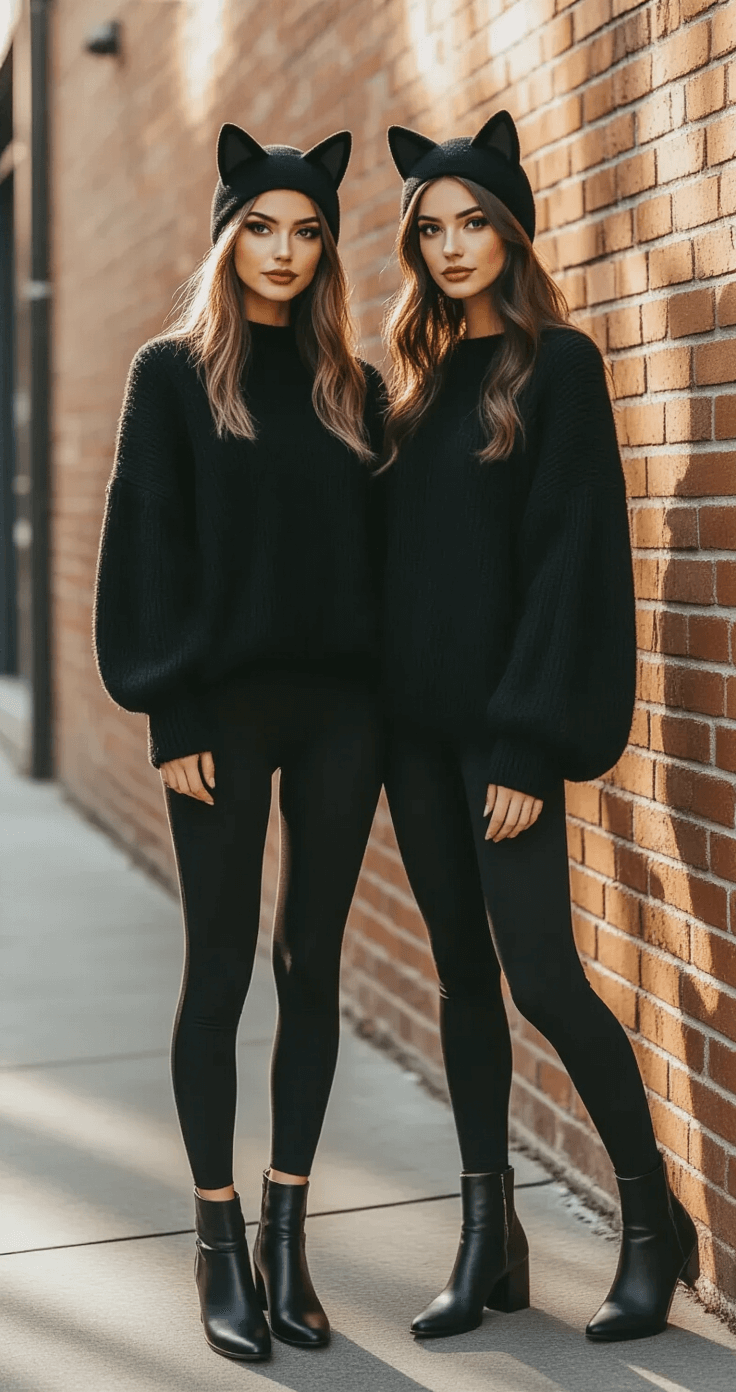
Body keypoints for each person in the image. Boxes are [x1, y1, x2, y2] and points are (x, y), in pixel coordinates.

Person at [380, 109, 698, 1344]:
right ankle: (487, 1240)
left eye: (473, 223)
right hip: (410, 741)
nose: (453, 246)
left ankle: (650, 1225)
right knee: (464, 982)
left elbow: (573, 565)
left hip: (498, 738)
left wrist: (524, 741)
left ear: (511, 232)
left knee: (545, 979)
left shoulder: (556, 367)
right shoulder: (406, 385)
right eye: (432, 228)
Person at [94, 122, 384, 1363]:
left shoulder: (353, 390)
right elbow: (144, 551)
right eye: (261, 226)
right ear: (229, 235)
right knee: (217, 967)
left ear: (327, 247)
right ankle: (217, 1241)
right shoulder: (171, 376)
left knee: (308, 964)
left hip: (343, 717)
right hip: (217, 716)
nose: (284, 249)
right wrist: (169, 711)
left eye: (307, 229)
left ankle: (287, 1237)